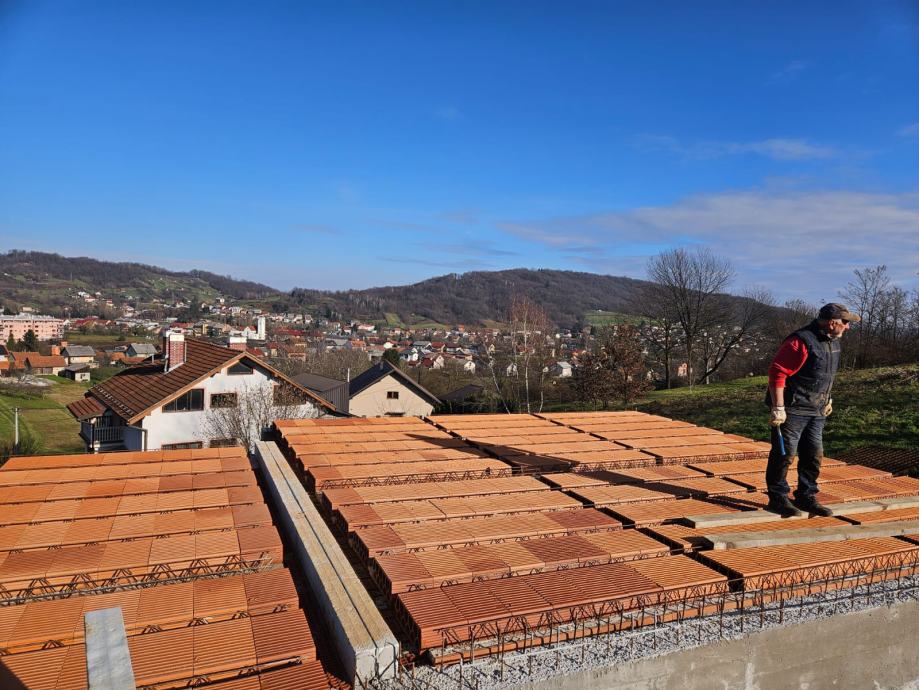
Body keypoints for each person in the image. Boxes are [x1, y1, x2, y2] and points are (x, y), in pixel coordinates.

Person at [764, 303, 860, 517]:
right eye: (845, 322)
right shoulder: (800, 341)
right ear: (832, 322)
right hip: (793, 408)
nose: (848, 326)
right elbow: (777, 372)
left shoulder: (832, 342)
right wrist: (778, 407)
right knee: (784, 454)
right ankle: (777, 498)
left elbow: (826, 374)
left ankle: (806, 496)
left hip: (817, 409)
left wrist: (828, 398)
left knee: (813, 455)